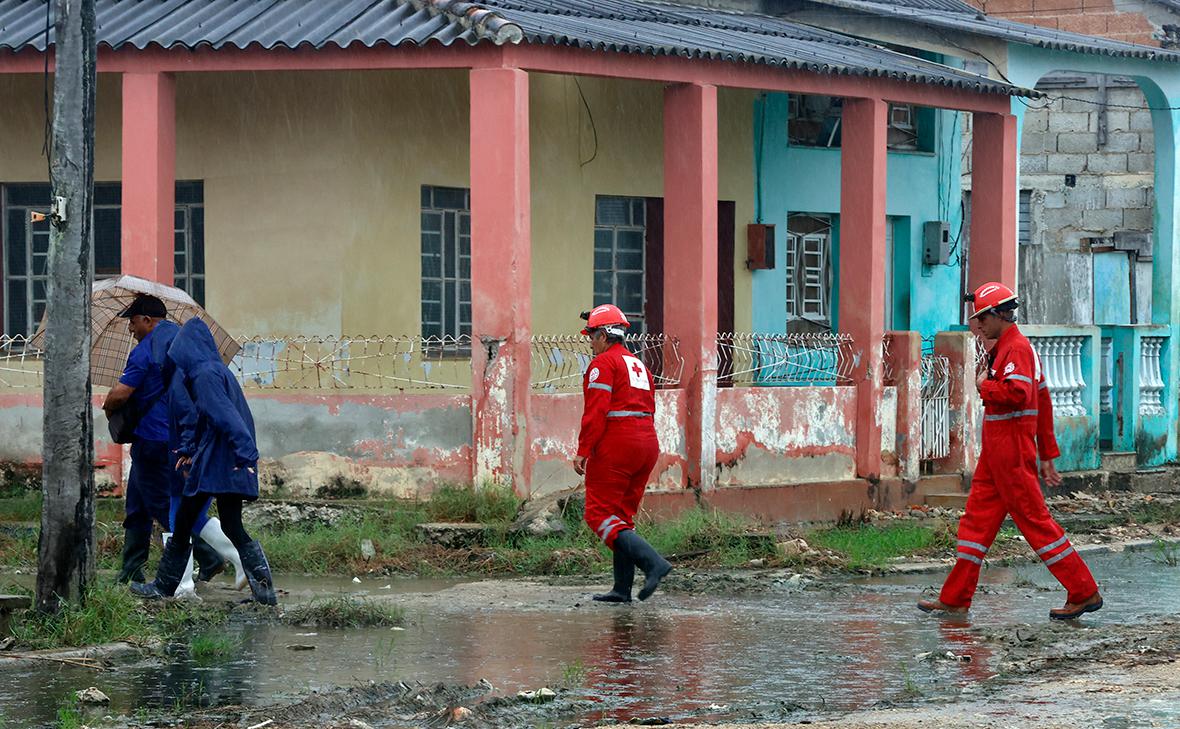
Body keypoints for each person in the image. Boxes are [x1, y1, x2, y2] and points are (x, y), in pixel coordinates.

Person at [917, 282, 1102, 620]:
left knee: (1036, 523)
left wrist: (982, 385)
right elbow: (1042, 399)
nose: (978, 324)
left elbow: (1018, 394)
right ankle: (955, 597)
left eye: (983, 317)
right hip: (998, 455)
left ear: (1000, 314)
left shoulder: (1015, 348)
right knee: (975, 526)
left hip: (1012, 453)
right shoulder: (1008, 348)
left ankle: (1084, 591)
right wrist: (1048, 453)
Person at [131, 318, 276, 605]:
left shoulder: (203, 375)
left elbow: (225, 417)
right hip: (223, 458)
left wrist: (245, 455)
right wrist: (187, 448)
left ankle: (164, 586)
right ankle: (265, 592)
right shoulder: (213, 370)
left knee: (184, 520)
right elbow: (205, 417)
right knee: (232, 525)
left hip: (221, 460)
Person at [574, 304, 671, 603]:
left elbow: (596, 411)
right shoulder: (638, 365)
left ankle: (653, 563)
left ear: (604, 335)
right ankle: (621, 590)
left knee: (598, 514)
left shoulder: (603, 364)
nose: (590, 341)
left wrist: (583, 451)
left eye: (591, 334)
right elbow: (651, 407)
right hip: (646, 443)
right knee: (620, 518)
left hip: (618, 443)